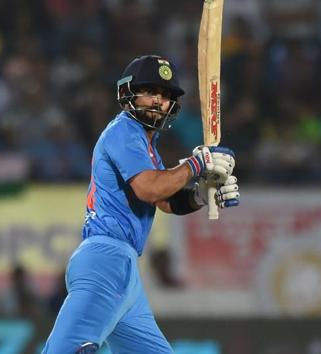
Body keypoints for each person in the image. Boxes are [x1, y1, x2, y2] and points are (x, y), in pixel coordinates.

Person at [42, 55, 240, 354]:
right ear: (128, 93)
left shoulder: (147, 148)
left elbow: (165, 201)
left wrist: (201, 193)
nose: (158, 101)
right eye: (151, 91)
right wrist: (196, 165)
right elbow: (149, 188)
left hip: (125, 272)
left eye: (165, 95)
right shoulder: (124, 132)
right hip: (105, 261)